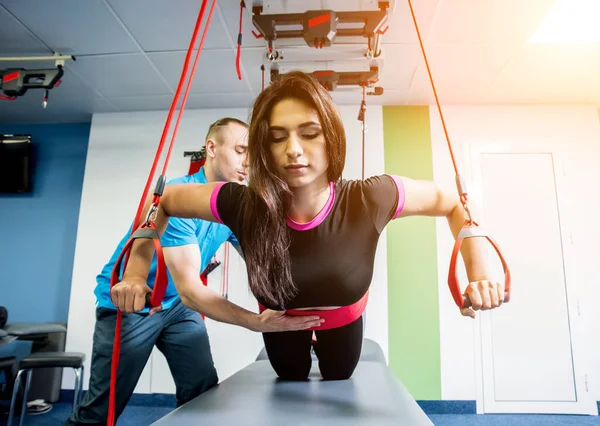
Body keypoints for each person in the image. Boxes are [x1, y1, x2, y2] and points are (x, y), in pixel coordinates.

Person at [116, 72, 505, 384]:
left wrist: (480, 274)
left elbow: (456, 201)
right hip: (277, 323)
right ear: (263, 149)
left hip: (344, 320)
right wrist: (135, 274)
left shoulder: (370, 197)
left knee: (339, 375)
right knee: (290, 377)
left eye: (309, 132)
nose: (294, 150)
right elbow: (163, 200)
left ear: (330, 137)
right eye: (277, 137)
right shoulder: (241, 202)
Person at [66, 117, 323, 426]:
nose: (247, 164)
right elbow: (192, 291)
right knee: (102, 410)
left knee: (202, 391)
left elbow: (264, 263)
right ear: (212, 148)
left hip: (177, 308)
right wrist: (257, 323)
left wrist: (303, 308)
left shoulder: (229, 207)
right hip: (133, 305)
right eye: (241, 151)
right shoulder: (179, 196)